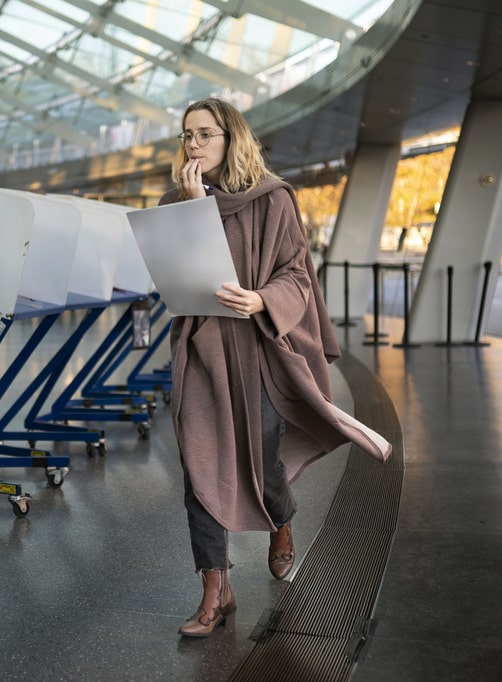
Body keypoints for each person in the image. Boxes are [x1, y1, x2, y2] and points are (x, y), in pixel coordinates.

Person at [161, 98, 392, 638]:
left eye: (204, 134)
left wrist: (263, 300)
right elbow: (174, 274)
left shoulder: (273, 199)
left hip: (260, 350)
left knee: (264, 465)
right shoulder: (176, 203)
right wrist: (192, 213)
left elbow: (297, 273)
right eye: (185, 136)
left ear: (230, 138)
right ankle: (215, 590)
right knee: (199, 469)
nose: (192, 145)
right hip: (203, 350)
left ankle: (281, 518)